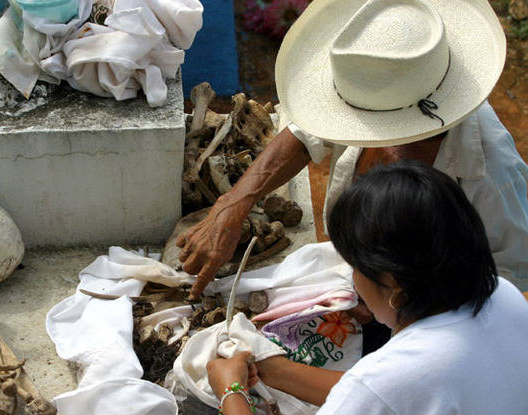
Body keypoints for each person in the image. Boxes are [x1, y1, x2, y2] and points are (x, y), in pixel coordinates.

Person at [176, 0, 528, 300]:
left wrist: (404, 302)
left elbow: (506, 282)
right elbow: (304, 134)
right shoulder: (376, 81)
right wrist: (232, 206)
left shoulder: (495, 179)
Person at [206, 161, 528, 415]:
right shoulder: (503, 296)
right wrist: (276, 371)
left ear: (393, 282)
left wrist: (231, 392)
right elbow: (391, 401)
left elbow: (379, 395)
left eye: (355, 266)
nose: (352, 279)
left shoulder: (385, 382)